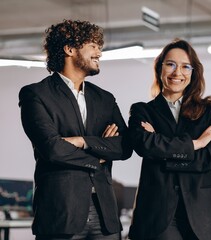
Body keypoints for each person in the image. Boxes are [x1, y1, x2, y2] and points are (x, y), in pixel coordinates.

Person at [18, 19, 133, 240]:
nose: (99, 52)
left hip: (105, 215)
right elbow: (52, 148)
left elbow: (125, 146)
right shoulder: (36, 95)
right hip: (61, 214)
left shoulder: (105, 99)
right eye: (93, 45)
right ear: (69, 49)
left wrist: (82, 141)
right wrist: (97, 157)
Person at [127, 38, 211, 240]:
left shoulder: (210, 110)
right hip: (158, 213)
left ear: (193, 72)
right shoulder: (142, 110)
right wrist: (195, 144)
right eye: (170, 64)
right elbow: (145, 146)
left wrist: (162, 149)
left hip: (204, 213)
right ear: (160, 68)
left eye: (185, 67)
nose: (177, 73)